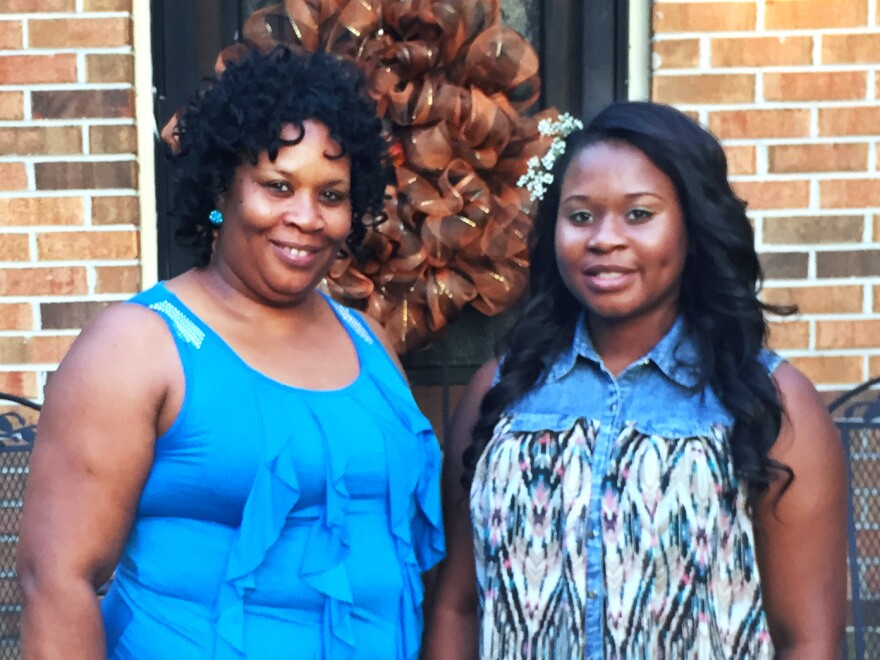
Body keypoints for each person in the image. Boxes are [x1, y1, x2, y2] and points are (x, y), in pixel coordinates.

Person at [18, 46, 444, 659]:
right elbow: (56, 583)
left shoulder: (369, 342)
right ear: (223, 187)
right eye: (277, 186)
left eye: (331, 195)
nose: (305, 217)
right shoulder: (136, 346)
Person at [424, 102, 846, 659]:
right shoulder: (501, 394)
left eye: (639, 215)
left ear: (693, 227)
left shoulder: (773, 407)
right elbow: (457, 606)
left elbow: (809, 640)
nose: (604, 239)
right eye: (580, 216)